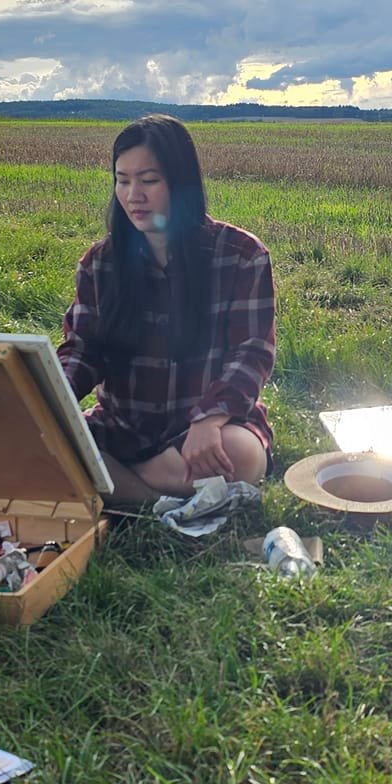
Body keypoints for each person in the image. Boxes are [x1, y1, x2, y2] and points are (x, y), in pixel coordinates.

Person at [57, 114, 276, 504]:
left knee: (243, 456)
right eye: (122, 180)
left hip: (205, 430)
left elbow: (252, 353)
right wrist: (52, 397)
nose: (133, 196)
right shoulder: (100, 263)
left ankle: (116, 484)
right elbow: (83, 350)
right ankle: (154, 502)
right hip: (122, 429)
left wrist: (209, 419)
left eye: (148, 180)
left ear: (181, 182)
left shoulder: (241, 255)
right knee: (46, 443)